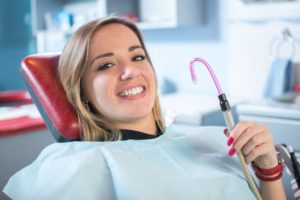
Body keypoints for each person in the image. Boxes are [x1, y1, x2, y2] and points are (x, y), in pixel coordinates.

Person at [4, 17, 286, 200]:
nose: (130, 71)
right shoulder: (71, 170)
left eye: (138, 56)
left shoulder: (210, 140)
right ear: (82, 93)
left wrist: (267, 169)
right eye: (106, 65)